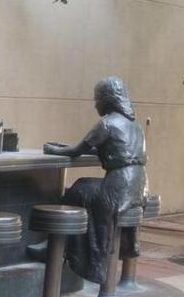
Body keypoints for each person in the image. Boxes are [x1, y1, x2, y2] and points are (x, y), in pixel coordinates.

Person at [44, 76, 148, 284]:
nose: (95, 104)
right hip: (139, 187)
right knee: (85, 187)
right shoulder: (134, 124)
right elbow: (113, 147)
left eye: (97, 99)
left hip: (118, 188)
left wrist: (53, 149)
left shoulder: (107, 123)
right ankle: (61, 244)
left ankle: (58, 244)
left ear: (107, 99)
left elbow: (76, 151)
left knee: (79, 189)